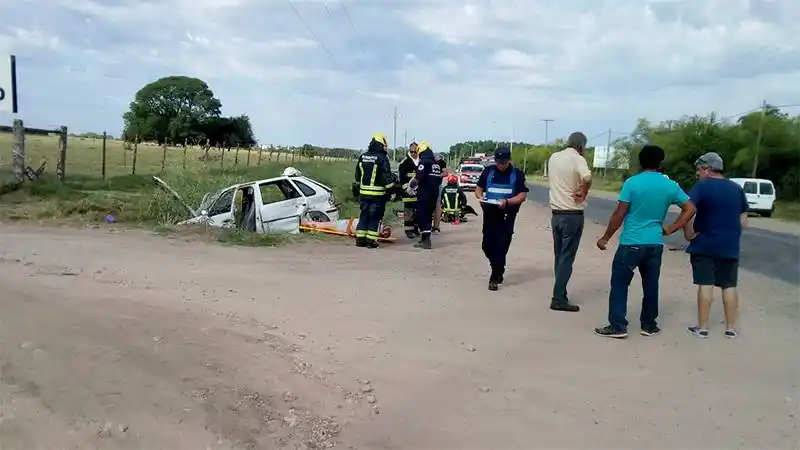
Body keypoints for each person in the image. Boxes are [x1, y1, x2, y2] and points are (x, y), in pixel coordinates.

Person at [594, 145, 696, 338]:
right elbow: (690, 208)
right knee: (650, 284)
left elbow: (619, 214)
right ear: (660, 163)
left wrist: (606, 237)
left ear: (641, 162)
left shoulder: (632, 183)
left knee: (620, 283)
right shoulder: (670, 185)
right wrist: (673, 228)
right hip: (655, 242)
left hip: (631, 242)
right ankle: (648, 325)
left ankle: (618, 325)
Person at [683, 152, 747, 339]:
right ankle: (731, 328)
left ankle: (702, 327)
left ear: (707, 169)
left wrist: (688, 233)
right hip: (730, 246)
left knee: (706, 284)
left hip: (705, 244)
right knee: (729, 285)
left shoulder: (702, 188)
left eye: (698, 170)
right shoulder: (736, 189)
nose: (697, 174)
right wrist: (733, 234)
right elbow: (744, 218)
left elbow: (688, 210)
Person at [547, 132, 592, 312]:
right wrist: (584, 190)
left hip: (556, 214)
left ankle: (561, 292)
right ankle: (558, 298)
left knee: (559, 257)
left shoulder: (554, 157)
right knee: (567, 258)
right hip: (572, 214)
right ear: (581, 146)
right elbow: (587, 177)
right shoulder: (577, 159)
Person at [474, 146, 528, 291]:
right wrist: (480, 198)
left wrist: (508, 202)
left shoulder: (517, 174)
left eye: (503, 162)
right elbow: (478, 189)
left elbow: (522, 195)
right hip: (490, 214)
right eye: (498, 161)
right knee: (486, 246)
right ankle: (498, 267)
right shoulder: (488, 172)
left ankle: (495, 276)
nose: (500, 165)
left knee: (500, 246)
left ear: (509, 160)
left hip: (506, 216)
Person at [354, 132, 394, 248]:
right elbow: (386, 178)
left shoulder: (363, 156)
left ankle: (360, 240)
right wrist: (392, 190)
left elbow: (357, 177)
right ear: (381, 144)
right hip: (377, 195)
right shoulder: (382, 158)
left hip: (363, 194)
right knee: (375, 217)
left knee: (364, 216)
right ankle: (371, 241)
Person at [410, 141, 443, 249]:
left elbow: (418, 177)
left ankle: (425, 241)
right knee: (428, 215)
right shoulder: (436, 164)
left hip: (425, 194)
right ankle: (426, 240)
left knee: (422, 215)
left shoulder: (424, 162)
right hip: (434, 194)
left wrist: (411, 186)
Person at [398, 142, 421, 238]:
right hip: (408, 191)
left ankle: (416, 228)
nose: (413, 153)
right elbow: (401, 178)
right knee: (409, 211)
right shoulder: (404, 163)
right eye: (411, 151)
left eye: (415, 151)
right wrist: (406, 189)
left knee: (418, 211)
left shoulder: (422, 162)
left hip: (419, 191)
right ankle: (408, 230)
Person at [432, 153, 449, 233]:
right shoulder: (426, 162)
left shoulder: (441, 162)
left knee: (437, 206)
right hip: (427, 186)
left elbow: (446, 173)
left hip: (437, 185)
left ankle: (436, 227)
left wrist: (437, 175)